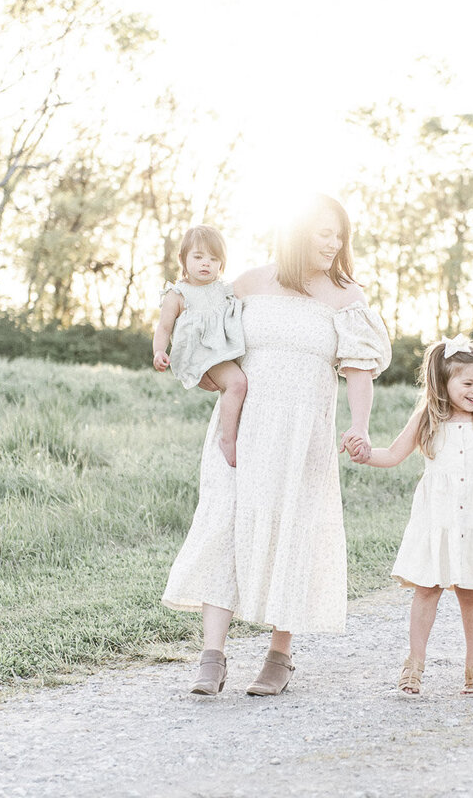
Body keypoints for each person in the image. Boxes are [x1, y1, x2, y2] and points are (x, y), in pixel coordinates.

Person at [161, 194, 392, 697]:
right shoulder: (246, 284)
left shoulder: (346, 297)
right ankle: (212, 655)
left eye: (339, 235)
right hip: (240, 430)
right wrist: (204, 375)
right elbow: (204, 341)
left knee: (293, 530)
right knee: (224, 524)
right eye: (323, 232)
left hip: (302, 434)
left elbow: (359, 371)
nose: (333, 243)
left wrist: (360, 425)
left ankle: (279, 654)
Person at [363, 334, 473, 698]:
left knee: (471, 592)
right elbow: (393, 454)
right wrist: (365, 453)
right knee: (426, 589)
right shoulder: (426, 418)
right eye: (468, 383)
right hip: (437, 519)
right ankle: (413, 665)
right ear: (444, 381)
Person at [152, 225, 247, 467]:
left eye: (213, 259)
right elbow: (163, 328)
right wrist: (159, 351)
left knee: (239, 383)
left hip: (223, 350)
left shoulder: (223, 290)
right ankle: (227, 438)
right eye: (198, 257)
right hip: (202, 354)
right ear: (182, 258)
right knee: (236, 383)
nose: (206, 263)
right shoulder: (178, 294)